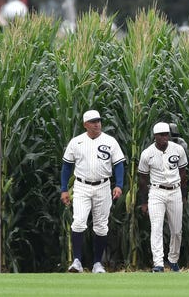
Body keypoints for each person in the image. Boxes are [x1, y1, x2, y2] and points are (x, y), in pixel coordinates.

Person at [60, 110, 125, 274]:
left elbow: (118, 164)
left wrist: (119, 185)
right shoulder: (77, 142)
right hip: (82, 186)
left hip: (103, 186)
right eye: (93, 121)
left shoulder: (110, 141)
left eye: (99, 121)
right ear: (85, 124)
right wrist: (64, 189)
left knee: (101, 226)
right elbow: (66, 166)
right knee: (79, 222)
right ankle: (77, 261)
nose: (97, 124)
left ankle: (97, 263)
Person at [138, 122, 188, 273]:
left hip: (175, 190)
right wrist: (144, 201)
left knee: (177, 230)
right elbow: (142, 179)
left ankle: (173, 260)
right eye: (161, 135)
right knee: (157, 227)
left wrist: (184, 195)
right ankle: (158, 263)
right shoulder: (147, 153)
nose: (165, 137)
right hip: (156, 192)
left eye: (167, 134)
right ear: (155, 136)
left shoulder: (178, 149)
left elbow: (183, 173)